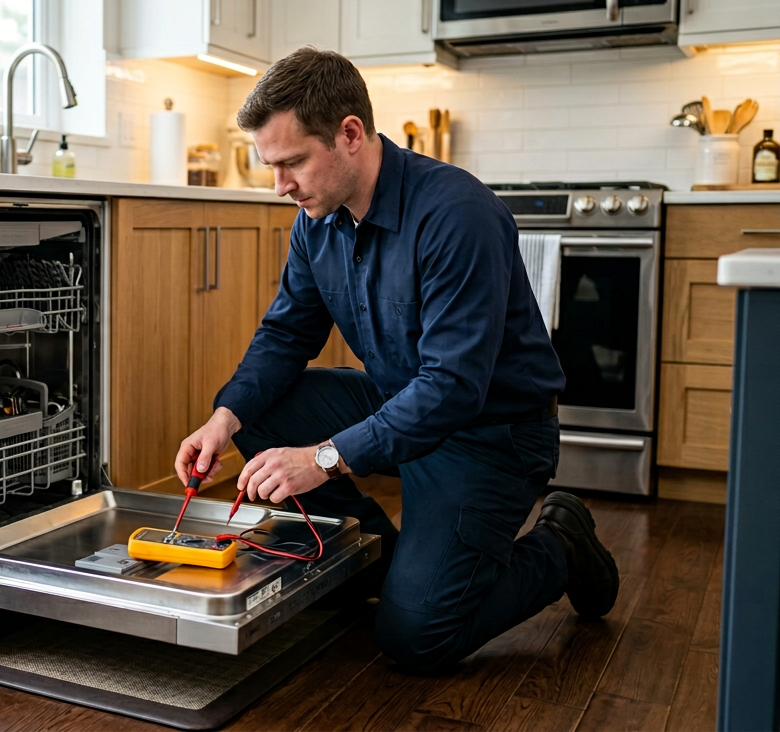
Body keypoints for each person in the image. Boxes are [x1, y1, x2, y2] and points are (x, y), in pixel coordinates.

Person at [174, 47, 619, 674]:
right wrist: (224, 418)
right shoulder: (317, 221)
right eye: (271, 166)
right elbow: (286, 334)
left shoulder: (457, 215)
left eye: (293, 162)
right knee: (257, 412)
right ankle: (376, 559)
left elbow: (454, 387)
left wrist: (322, 459)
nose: (281, 187)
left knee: (417, 636)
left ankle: (562, 544)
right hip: (399, 405)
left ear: (350, 134)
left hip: (490, 434)